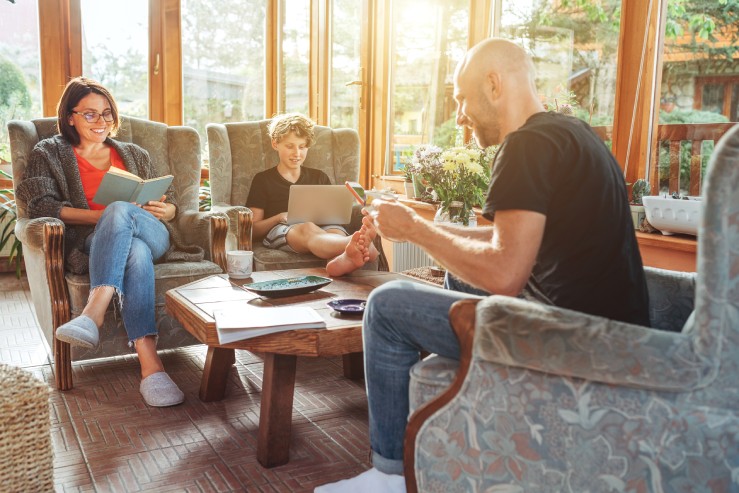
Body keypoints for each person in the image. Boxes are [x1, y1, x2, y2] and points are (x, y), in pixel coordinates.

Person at [315, 38, 650, 492]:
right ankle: (455, 419)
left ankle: (389, 475)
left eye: (460, 99)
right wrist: (416, 224)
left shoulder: (526, 146)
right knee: (456, 275)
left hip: (571, 341)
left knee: (387, 306)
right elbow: (504, 242)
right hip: (610, 330)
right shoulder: (573, 134)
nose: (458, 115)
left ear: (493, 85)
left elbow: (504, 273)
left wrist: (415, 230)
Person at [16, 77, 204, 407]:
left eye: (106, 114)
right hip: (96, 242)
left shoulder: (134, 153)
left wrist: (167, 207)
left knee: (127, 221)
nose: (100, 122)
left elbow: (171, 200)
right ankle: (151, 367)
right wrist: (106, 217)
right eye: (89, 114)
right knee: (134, 250)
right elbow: (42, 205)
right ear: (70, 116)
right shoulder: (49, 153)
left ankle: (93, 312)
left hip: (155, 232)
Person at [246, 112, 377, 276]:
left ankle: (342, 261)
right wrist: (279, 216)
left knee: (335, 231)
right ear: (275, 144)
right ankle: (354, 243)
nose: (297, 153)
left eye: (302, 147)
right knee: (307, 227)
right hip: (283, 230)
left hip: (324, 226)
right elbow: (253, 229)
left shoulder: (319, 176)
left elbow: (333, 215)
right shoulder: (263, 180)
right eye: (289, 146)